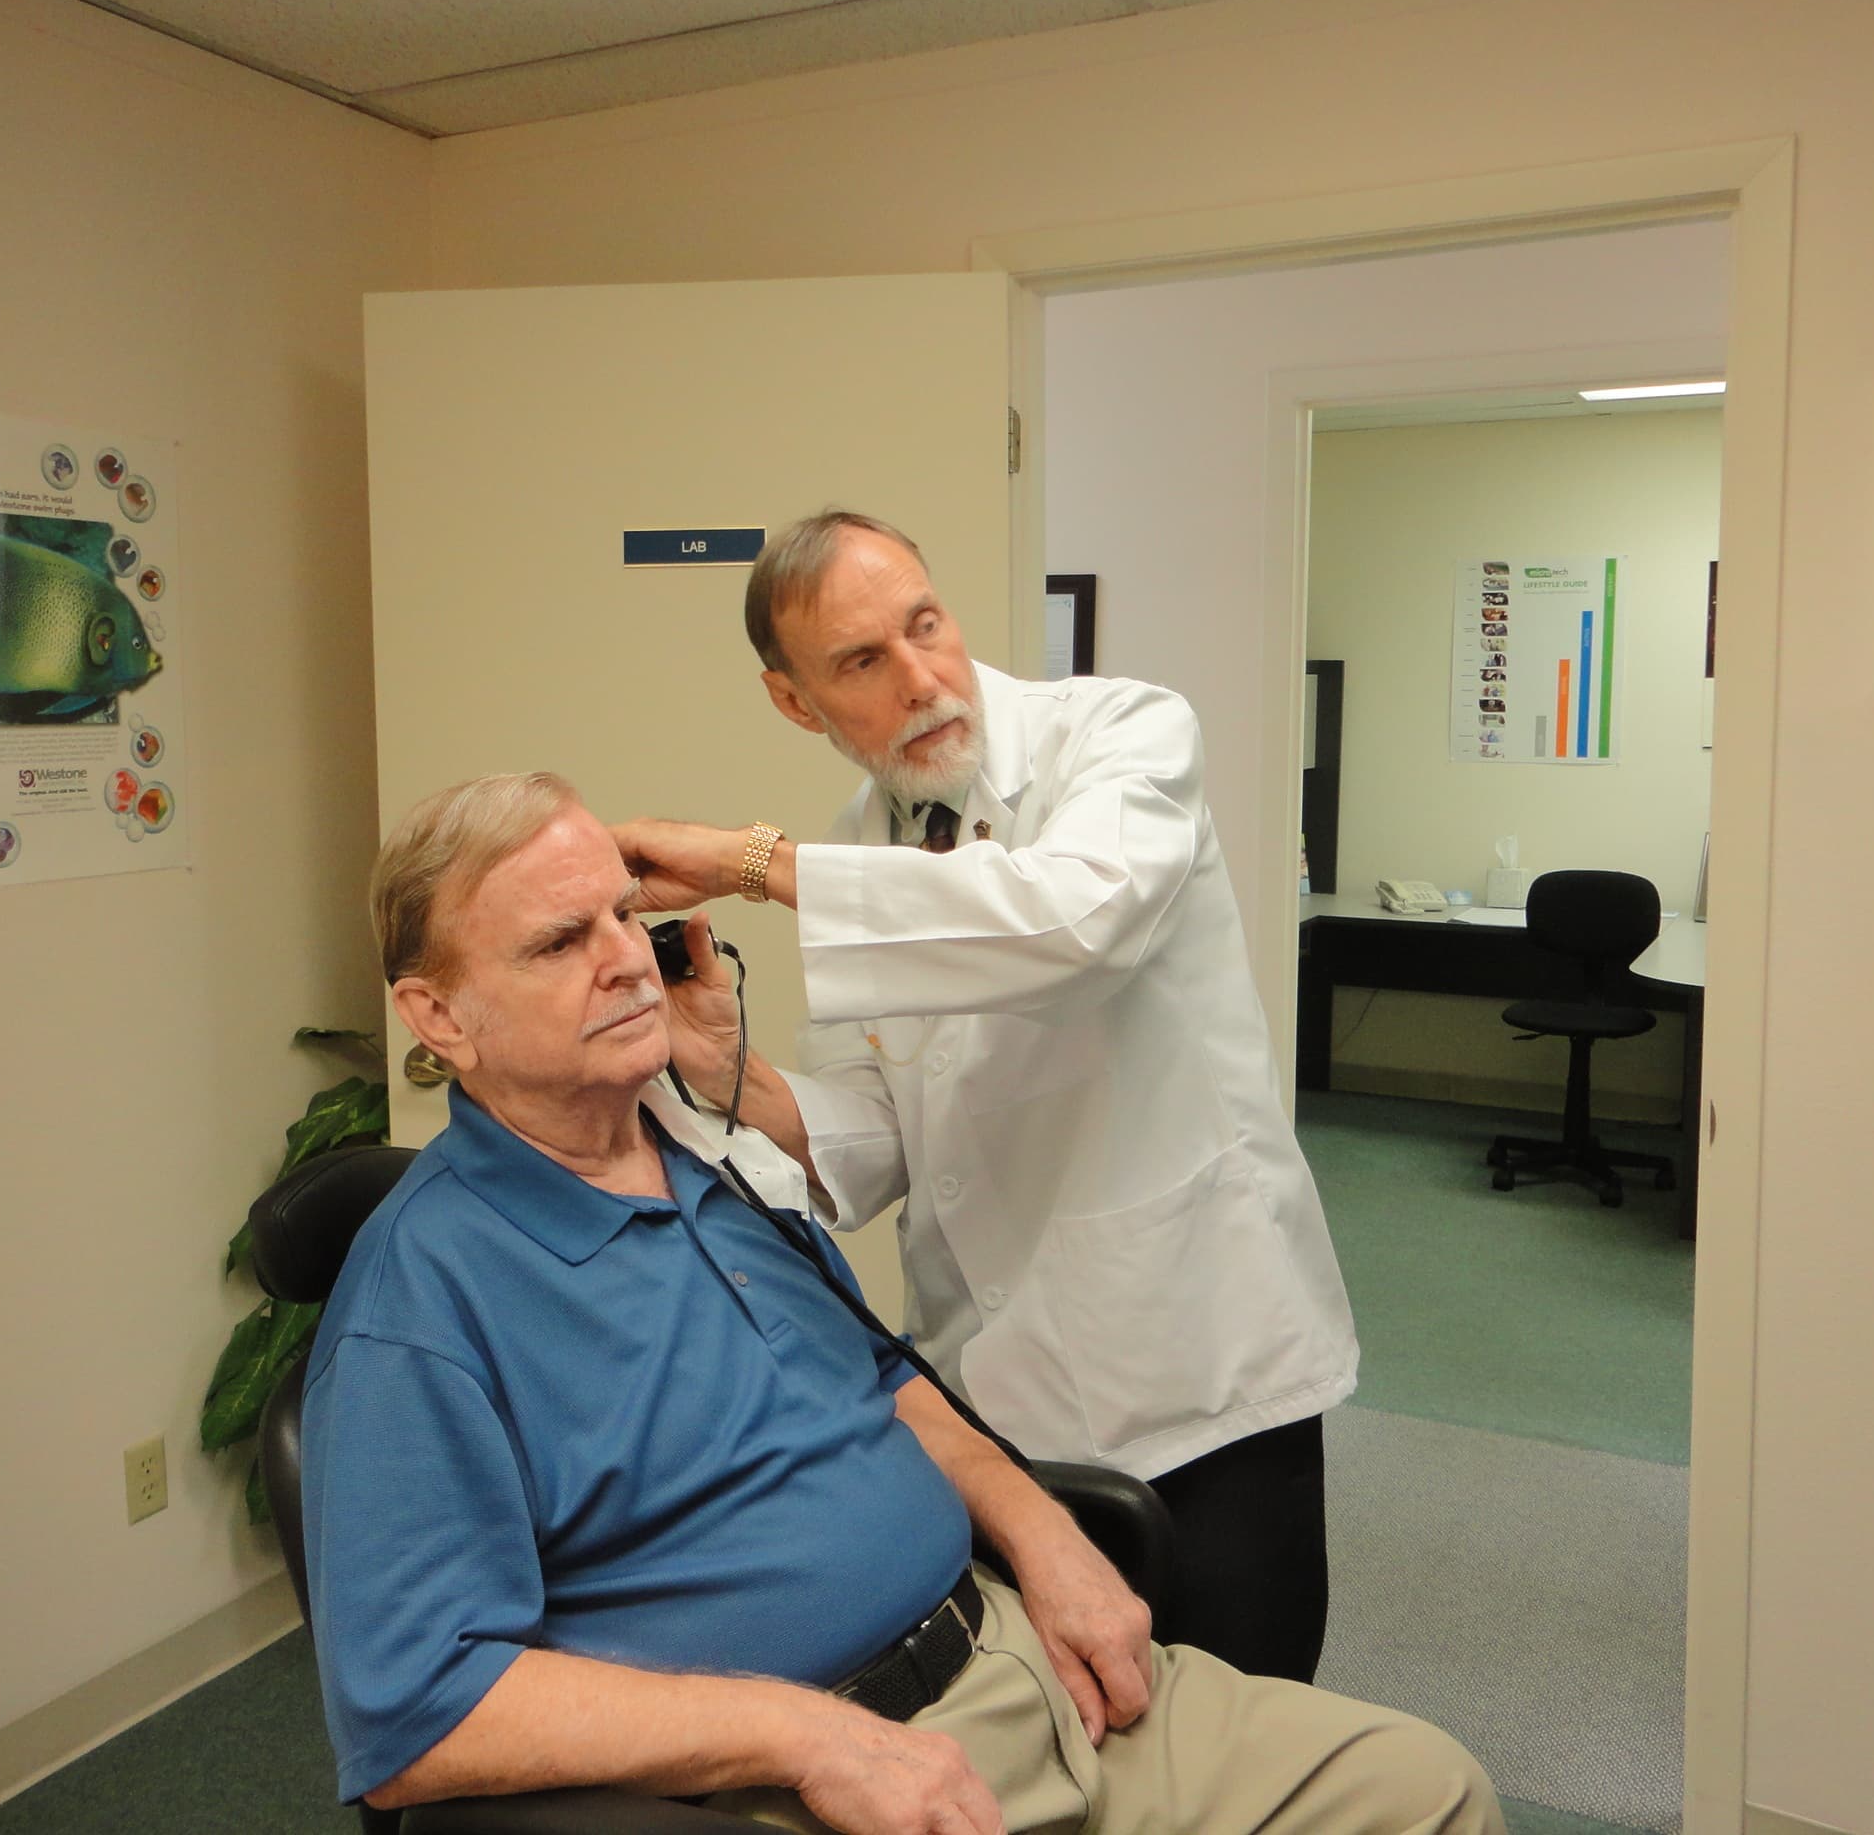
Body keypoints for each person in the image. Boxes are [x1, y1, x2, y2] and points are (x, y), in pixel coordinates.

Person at [302, 771, 1500, 1833]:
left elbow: (881, 1379)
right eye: (560, 942)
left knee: (1427, 1790)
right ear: (437, 1016)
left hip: (1017, 1662)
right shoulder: (421, 1304)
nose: (623, 957)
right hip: (811, 1779)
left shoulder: (711, 1159)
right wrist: (806, 1740)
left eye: (623, 912)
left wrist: (1046, 1536)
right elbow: (420, 1712)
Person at [611, 510, 1358, 1683]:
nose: (921, 679)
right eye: (862, 661)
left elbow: (1072, 925)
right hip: (998, 1392)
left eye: (926, 626)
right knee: (1074, 1726)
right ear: (796, 702)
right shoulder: (864, 843)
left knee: (1238, 1722)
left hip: (1195, 1364)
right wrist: (727, 1071)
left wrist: (751, 864)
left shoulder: (1122, 733)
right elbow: (874, 1142)